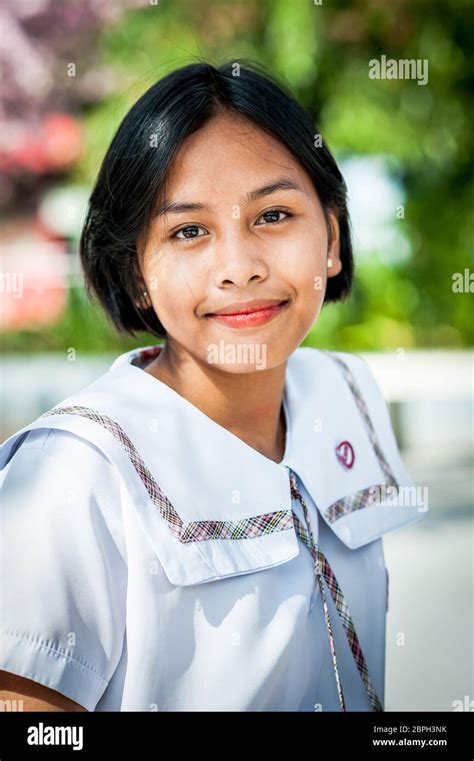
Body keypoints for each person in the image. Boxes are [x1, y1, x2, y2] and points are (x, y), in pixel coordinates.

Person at [0, 60, 428, 712]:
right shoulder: (74, 473)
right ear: (136, 273)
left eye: (274, 214)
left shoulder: (346, 393)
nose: (239, 267)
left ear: (332, 237)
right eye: (189, 231)